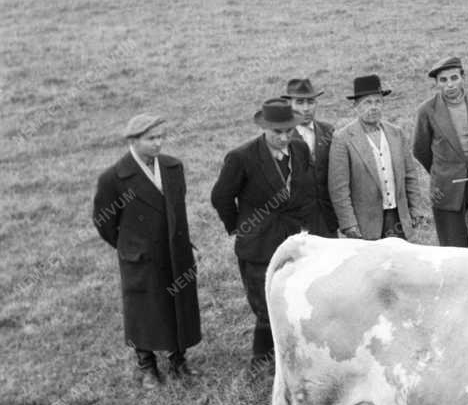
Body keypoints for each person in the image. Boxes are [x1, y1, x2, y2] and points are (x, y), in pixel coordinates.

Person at [92, 114, 202, 388]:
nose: (158, 143)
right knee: (144, 308)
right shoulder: (114, 178)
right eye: (151, 139)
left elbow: (178, 212)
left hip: (175, 251)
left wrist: (186, 244)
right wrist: (130, 247)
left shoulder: (173, 167)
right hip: (141, 258)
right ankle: (147, 366)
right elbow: (105, 222)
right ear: (133, 141)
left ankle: (179, 360)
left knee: (178, 304)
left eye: (161, 137)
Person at [211, 98, 317, 373]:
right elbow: (221, 196)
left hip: (293, 239)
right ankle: (261, 359)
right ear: (264, 129)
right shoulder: (242, 157)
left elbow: (306, 190)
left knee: (294, 297)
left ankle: (293, 354)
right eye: (276, 132)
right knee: (265, 302)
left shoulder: (300, 149)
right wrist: (241, 226)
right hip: (258, 244)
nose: (283, 138)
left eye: (288, 131)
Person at [328, 74, 425, 240]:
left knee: (399, 263)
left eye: (378, 102)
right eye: (367, 102)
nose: (373, 107)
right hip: (365, 224)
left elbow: (410, 175)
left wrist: (415, 208)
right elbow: (339, 189)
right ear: (356, 107)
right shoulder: (343, 138)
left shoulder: (396, 133)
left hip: (398, 218)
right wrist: (348, 223)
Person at [413, 56, 468, 247]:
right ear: (437, 84)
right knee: (453, 245)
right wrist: (443, 169)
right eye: (443, 80)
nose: (450, 85)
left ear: (463, 77)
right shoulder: (426, 110)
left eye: (454, 78)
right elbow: (420, 149)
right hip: (447, 187)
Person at [282, 77, 338, 237]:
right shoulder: (281, 137)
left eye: (310, 102)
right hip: (296, 226)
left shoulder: (328, 131)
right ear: (289, 105)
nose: (306, 108)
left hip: (328, 222)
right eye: (299, 102)